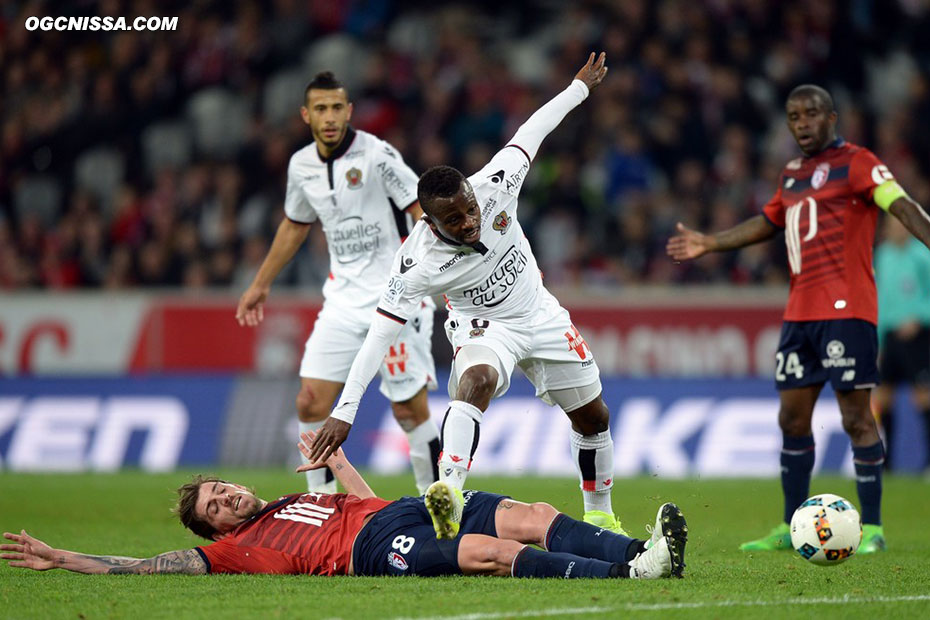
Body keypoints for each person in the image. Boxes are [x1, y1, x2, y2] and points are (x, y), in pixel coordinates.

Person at [305, 53, 628, 536]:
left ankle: (600, 512)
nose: (469, 220)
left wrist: (579, 87)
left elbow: (532, 131)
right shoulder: (416, 262)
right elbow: (377, 338)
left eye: (469, 208)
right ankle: (450, 495)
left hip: (539, 312)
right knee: (474, 379)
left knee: (593, 416)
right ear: (428, 223)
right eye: (454, 219)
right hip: (483, 325)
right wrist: (344, 411)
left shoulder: (496, 184)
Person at [666, 84, 930, 554]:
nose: (802, 123)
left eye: (811, 114)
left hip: (848, 313)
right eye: (793, 116)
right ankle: (791, 525)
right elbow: (767, 222)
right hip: (798, 314)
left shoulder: (859, 162)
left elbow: (902, 205)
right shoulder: (791, 174)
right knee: (791, 419)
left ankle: (872, 528)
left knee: (856, 417)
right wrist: (711, 242)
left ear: (832, 117)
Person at [0, 432, 689, 580]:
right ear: (214, 527)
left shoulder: (295, 496)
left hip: (397, 511)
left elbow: (361, 504)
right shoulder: (234, 552)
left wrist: (338, 464)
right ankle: (627, 578)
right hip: (367, 554)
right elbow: (148, 566)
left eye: (222, 486)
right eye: (216, 503)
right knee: (494, 554)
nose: (229, 494)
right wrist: (64, 558)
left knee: (532, 513)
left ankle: (643, 552)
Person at [236, 71, 440, 495]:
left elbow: (420, 209)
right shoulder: (301, 165)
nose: (329, 117)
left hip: (396, 298)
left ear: (348, 112)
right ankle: (322, 506)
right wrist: (261, 284)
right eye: (320, 109)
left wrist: (430, 268)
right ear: (306, 115)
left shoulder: (378, 155)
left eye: (336, 108)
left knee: (408, 409)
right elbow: (295, 226)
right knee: (310, 401)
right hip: (343, 303)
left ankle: (439, 502)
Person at [872, 215, 930, 472]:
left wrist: (919, 316)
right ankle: (888, 462)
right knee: (883, 398)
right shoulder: (882, 256)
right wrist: (879, 340)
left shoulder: (921, 255)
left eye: (900, 225)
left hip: (918, 336)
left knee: (924, 397)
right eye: (891, 226)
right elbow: (880, 300)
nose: (896, 230)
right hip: (890, 338)